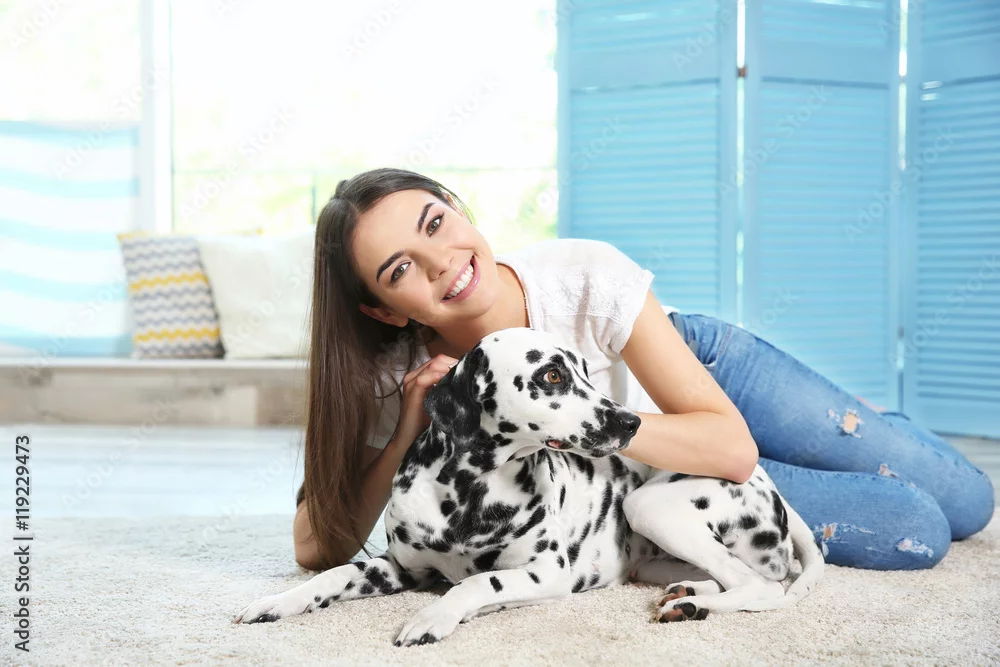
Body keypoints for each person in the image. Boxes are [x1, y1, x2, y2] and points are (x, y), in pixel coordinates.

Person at [293, 167, 994, 574]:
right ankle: (842, 440)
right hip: (660, 469)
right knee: (919, 527)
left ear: (456, 209)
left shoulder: (581, 274)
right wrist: (406, 429)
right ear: (383, 310)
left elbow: (731, 448)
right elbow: (315, 545)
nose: (441, 262)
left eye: (435, 223)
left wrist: (570, 422)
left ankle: (867, 423)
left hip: (703, 377)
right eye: (400, 270)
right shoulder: (405, 379)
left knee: (971, 501)